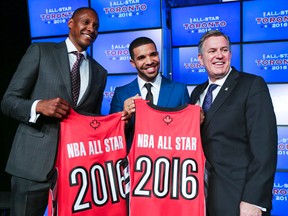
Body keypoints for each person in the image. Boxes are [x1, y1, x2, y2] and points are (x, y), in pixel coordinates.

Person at [1, 7, 107, 216]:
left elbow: (91, 121)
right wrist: (38, 106)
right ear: (70, 23)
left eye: (95, 26)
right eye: (85, 22)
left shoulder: (100, 72)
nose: (91, 29)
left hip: (75, 171)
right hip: (32, 164)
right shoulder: (41, 51)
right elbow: (8, 101)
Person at [190, 30, 277, 216]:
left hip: (240, 200)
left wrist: (254, 200)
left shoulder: (252, 85)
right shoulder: (197, 92)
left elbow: (264, 148)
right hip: (201, 200)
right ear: (200, 58)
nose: (219, 55)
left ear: (230, 54)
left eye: (224, 50)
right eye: (212, 51)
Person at [109, 36, 190, 149]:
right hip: (134, 164)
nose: (149, 61)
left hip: (170, 162)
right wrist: (124, 117)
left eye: (153, 54)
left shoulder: (179, 90)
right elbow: (112, 137)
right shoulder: (121, 93)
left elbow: (188, 133)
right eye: (141, 58)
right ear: (133, 63)